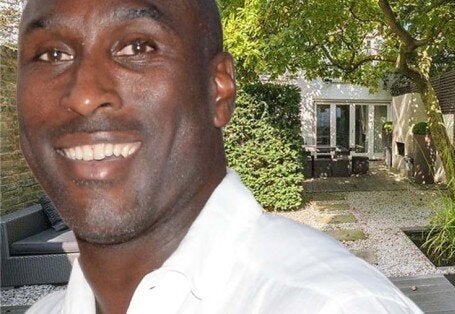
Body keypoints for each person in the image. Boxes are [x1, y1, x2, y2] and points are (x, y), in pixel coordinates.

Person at [18, 0, 422, 313]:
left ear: (218, 89)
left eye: (137, 46)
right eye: (52, 55)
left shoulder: (333, 304)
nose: (84, 95)